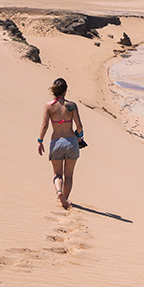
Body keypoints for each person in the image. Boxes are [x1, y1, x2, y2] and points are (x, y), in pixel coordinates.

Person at [37, 78, 84, 209]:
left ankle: (59, 194)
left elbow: (45, 125)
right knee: (69, 175)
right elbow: (79, 126)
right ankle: (66, 199)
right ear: (66, 90)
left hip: (56, 141)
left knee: (57, 174)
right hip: (71, 142)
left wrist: (40, 141)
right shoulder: (72, 105)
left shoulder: (49, 106)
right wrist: (79, 137)